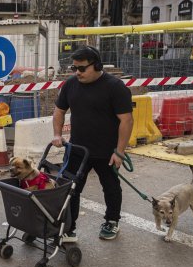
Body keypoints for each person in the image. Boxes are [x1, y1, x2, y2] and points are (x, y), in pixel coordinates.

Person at [52, 46, 134, 242]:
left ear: (97, 65)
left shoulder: (115, 87)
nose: (77, 72)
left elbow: (127, 120)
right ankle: (68, 227)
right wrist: (56, 134)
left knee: (111, 187)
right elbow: (59, 110)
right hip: (77, 149)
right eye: (74, 68)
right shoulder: (70, 85)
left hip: (107, 151)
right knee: (70, 187)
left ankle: (112, 221)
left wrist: (119, 152)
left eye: (81, 68)